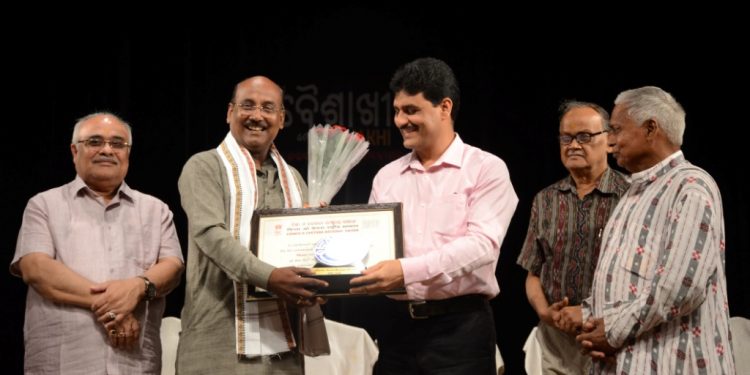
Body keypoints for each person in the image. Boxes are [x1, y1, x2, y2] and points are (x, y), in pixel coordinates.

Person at [349, 57, 518, 374]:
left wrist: (404, 271)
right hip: (396, 331)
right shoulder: (387, 177)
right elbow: (370, 249)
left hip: (461, 332)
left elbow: (481, 246)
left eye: (411, 110)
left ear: (444, 108)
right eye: (397, 110)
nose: (400, 120)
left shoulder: (486, 169)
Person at [577, 86, 736, 374]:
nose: (610, 142)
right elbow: (624, 280)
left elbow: (680, 287)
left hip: (672, 362)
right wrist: (588, 318)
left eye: (616, 130)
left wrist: (611, 329)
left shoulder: (691, 187)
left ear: (651, 128)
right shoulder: (633, 192)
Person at [10, 112, 185, 374]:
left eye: (117, 144)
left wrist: (138, 287)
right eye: (94, 142)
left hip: (135, 362)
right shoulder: (44, 205)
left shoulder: (156, 210)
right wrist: (116, 308)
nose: (107, 150)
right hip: (63, 362)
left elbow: (172, 268)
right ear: (74, 150)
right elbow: (36, 269)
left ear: (128, 153)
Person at [176, 76, 329, 374]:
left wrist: (319, 281)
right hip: (218, 343)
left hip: (284, 348)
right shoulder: (204, 166)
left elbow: (306, 249)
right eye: (247, 105)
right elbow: (211, 236)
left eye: (267, 108)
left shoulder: (294, 179)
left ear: (281, 119)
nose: (257, 115)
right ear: (229, 112)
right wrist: (270, 277)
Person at [516, 101, 629, 374]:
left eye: (585, 137)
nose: (573, 145)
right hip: (556, 343)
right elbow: (533, 270)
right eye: (566, 137)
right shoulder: (545, 200)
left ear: (609, 140)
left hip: (613, 340)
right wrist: (545, 312)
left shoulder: (631, 196)